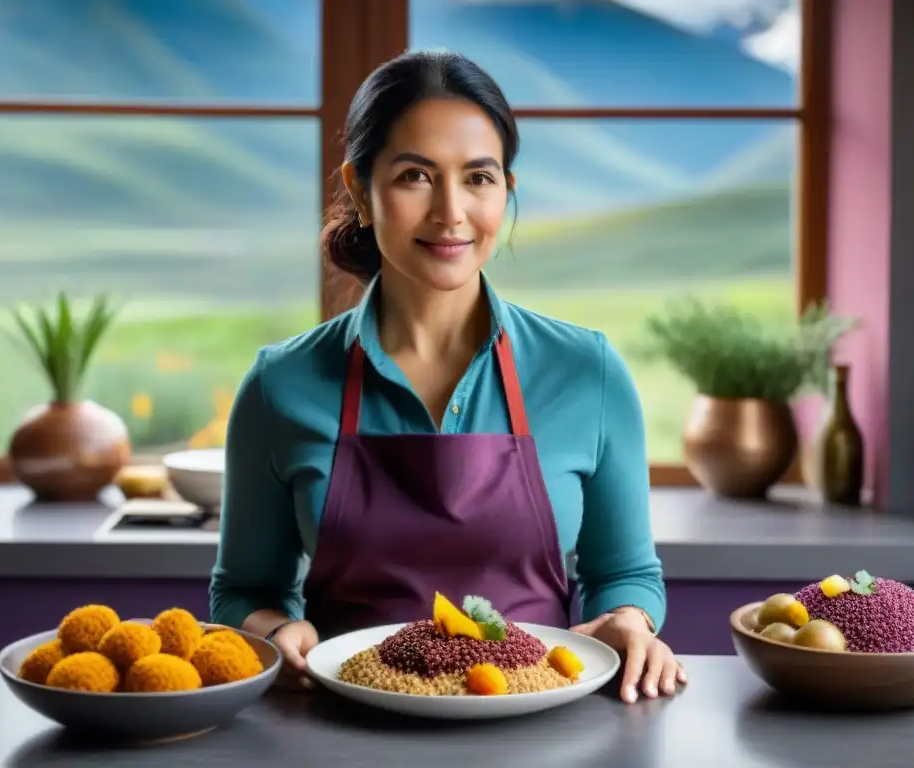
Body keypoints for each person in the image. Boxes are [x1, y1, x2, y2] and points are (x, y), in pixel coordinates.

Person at [209, 50, 686, 704]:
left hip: (540, 728)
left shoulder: (587, 371)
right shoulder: (280, 384)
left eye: (479, 178)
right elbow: (243, 591)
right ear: (359, 191)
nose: (451, 212)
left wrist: (629, 622)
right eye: (415, 176)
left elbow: (625, 572)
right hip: (341, 728)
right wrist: (275, 629)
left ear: (506, 191)